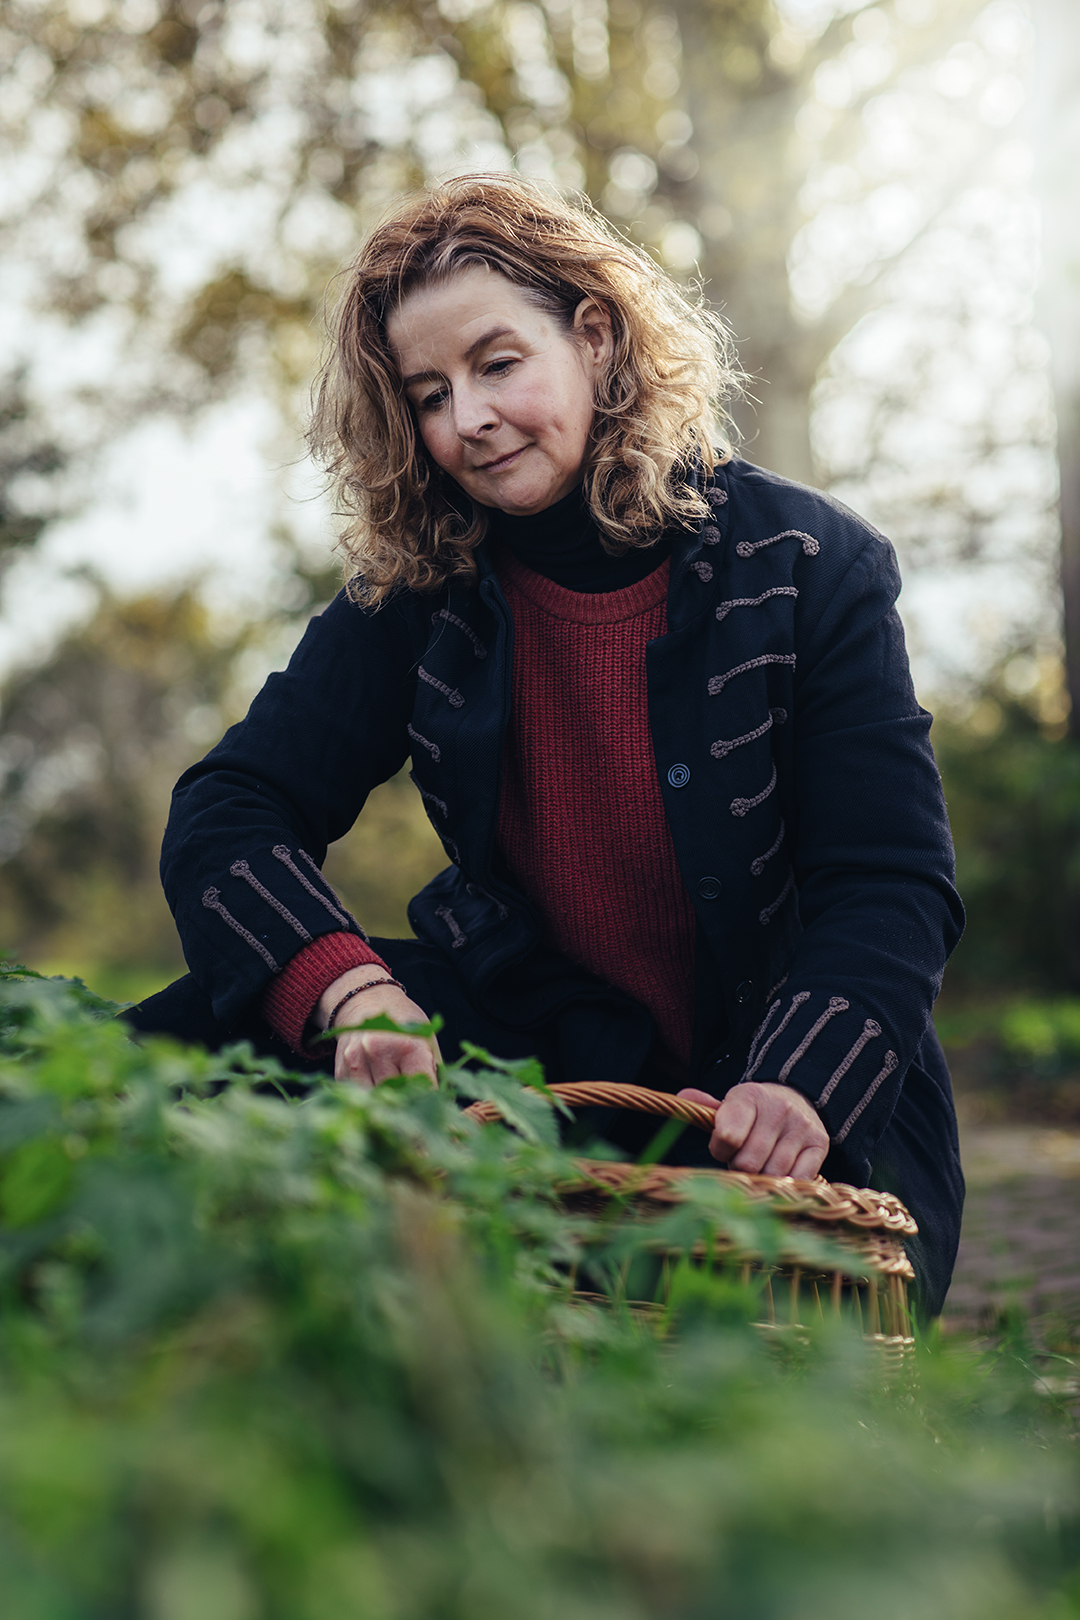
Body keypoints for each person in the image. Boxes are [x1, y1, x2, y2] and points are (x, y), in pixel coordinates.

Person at [127, 175, 965, 1317]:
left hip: (791, 1104)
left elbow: (891, 882)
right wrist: (349, 992)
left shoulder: (811, 567)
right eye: (428, 393)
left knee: (736, 1332)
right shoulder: (422, 592)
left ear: (595, 336)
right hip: (545, 1058)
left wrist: (802, 1083)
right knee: (166, 1053)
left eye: (496, 363)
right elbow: (233, 804)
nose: (465, 417)